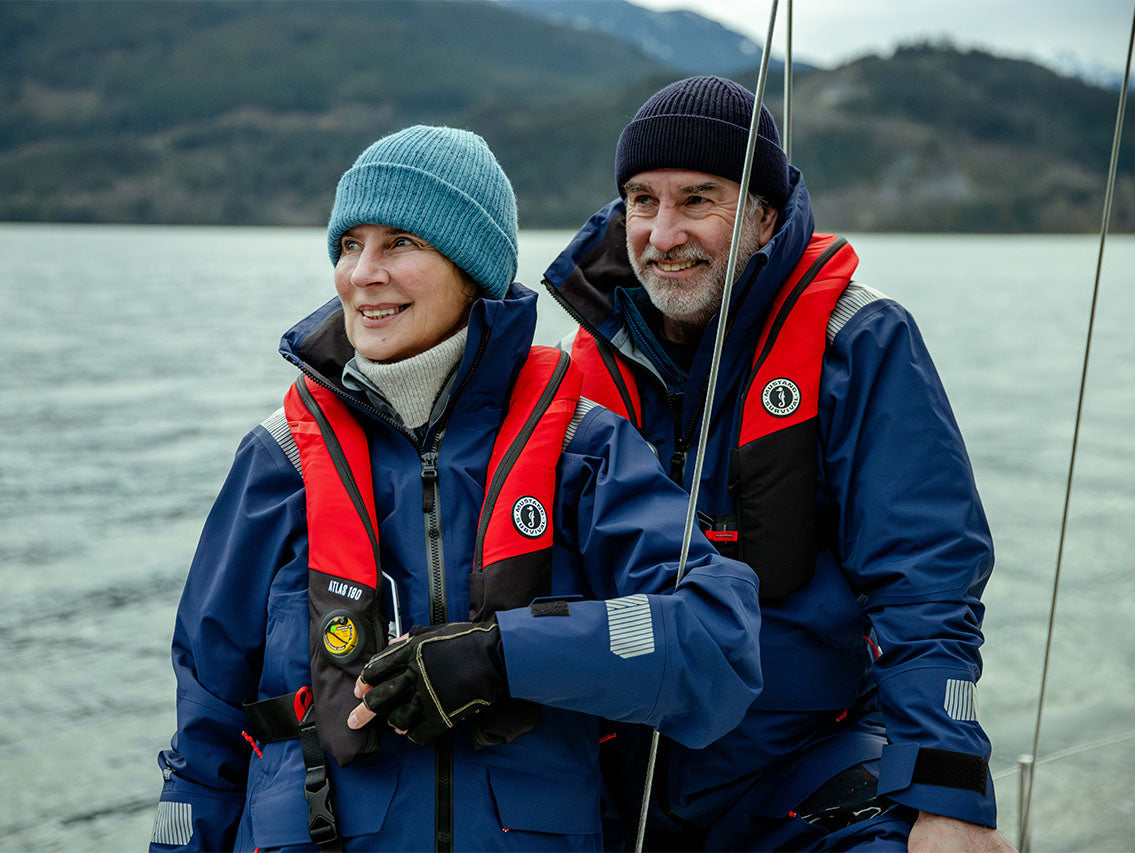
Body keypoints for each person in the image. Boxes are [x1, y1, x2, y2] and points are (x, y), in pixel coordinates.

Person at [149, 124, 763, 852]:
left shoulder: (584, 450)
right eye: (350, 245)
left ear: (472, 269)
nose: (362, 274)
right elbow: (203, 736)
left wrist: (503, 654)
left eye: (401, 243)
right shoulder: (278, 463)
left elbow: (719, 640)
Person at [544, 77, 1014, 851]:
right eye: (641, 199)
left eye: (698, 200)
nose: (663, 234)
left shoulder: (857, 340)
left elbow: (926, 582)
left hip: (801, 770)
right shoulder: (574, 367)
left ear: (764, 215)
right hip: (608, 785)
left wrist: (948, 793)